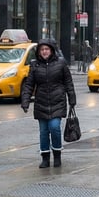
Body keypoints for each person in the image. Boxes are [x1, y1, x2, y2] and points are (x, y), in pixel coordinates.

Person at [20, 40, 77, 169]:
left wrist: (72, 99)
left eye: (46, 49)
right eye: (42, 50)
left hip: (57, 101)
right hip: (41, 102)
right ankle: (45, 157)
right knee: (44, 131)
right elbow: (29, 85)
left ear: (51, 50)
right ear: (39, 52)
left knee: (54, 127)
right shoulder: (34, 65)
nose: (44, 52)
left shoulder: (61, 63)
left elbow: (68, 82)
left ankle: (57, 154)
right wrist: (25, 101)